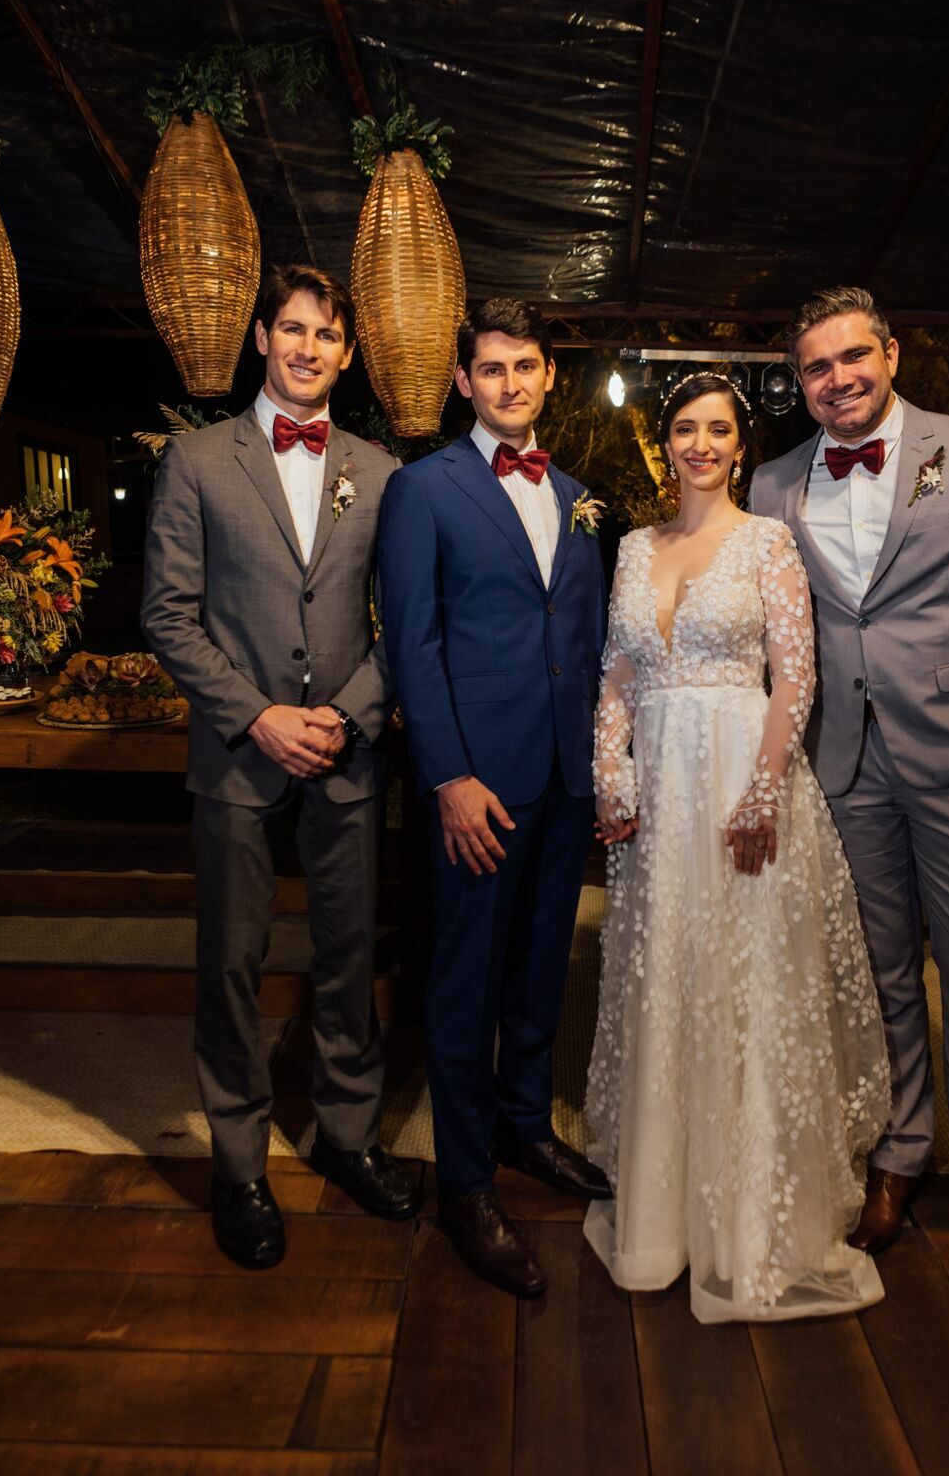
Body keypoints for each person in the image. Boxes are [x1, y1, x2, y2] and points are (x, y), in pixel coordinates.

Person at [751, 286, 949, 1287]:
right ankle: (893, 1156)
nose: (835, 379)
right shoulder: (772, 485)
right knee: (878, 976)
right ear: (796, 382)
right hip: (842, 762)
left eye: (851, 356)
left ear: (887, 353)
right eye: (814, 367)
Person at [585, 372, 891, 1323]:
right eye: (685, 427)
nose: (701, 444)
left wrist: (761, 793)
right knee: (669, 979)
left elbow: (794, 681)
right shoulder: (634, 548)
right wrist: (608, 768)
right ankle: (663, 1221)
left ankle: (752, 1226)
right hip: (659, 794)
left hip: (741, 783)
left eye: (719, 429)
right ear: (664, 441)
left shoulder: (768, 542)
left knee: (745, 984)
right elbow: (618, 678)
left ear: (739, 445)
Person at [141, 263, 421, 1270]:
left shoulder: (383, 473)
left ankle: (346, 1139)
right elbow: (167, 613)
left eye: (325, 334)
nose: (307, 348)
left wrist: (346, 715)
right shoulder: (197, 460)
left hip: (346, 758)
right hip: (235, 755)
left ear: (347, 352)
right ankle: (239, 1166)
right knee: (230, 966)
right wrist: (258, 714)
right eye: (290, 328)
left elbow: (407, 621)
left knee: (348, 962)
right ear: (261, 338)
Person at [377, 297, 611, 1298]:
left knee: (537, 969)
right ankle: (465, 1181)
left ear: (547, 375)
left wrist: (601, 769)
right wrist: (447, 777)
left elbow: (591, 642)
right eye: (490, 369)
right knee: (464, 980)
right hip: (476, 782)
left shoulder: (579, 494)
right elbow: (410, 644)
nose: (508, 383)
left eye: (525, 366)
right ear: (463, 382)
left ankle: (524, 1128)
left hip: (564, 779)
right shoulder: (422, 489)